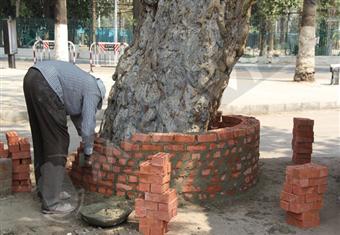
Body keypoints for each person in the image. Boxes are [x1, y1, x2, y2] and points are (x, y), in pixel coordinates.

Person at [23, 60, 106, 214]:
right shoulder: (93, 91)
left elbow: (80, 122)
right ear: (100, 97)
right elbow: (88, 126)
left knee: (43, 138)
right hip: (45, 83)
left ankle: (46, 191)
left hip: (32, 77)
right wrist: (88, 151)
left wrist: (85, 141)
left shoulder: (81, 83)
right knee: (58, 142)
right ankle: (52, 203)